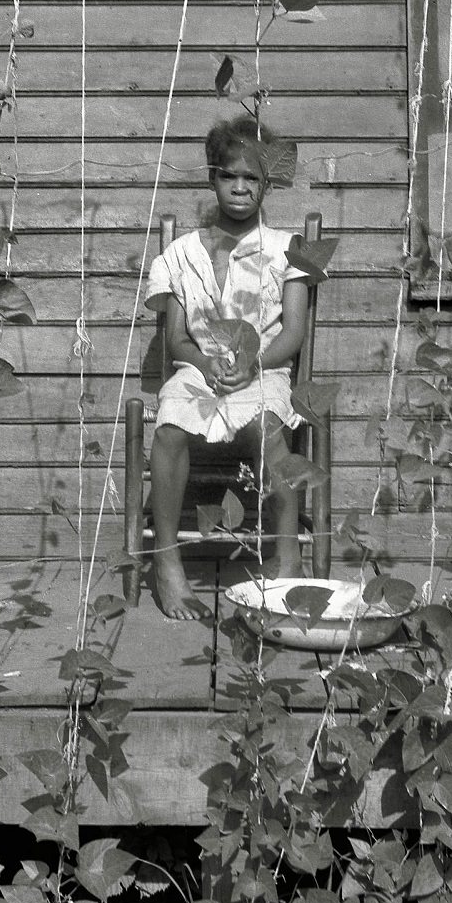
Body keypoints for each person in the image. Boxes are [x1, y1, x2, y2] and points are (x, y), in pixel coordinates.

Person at [144, 116, 310, 620]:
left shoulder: (289, 250)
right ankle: (167, 560)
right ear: (211, 178)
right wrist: (204, 361)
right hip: (199, 367)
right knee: (170, 425)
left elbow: (293, 333)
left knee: (267, 427)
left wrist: (254, 363)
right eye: (229, 176)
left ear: (268, 182)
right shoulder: (181, 254)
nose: (240, 187)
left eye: (253, 178)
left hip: (264, 368)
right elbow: (176, 337)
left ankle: (286, 556)